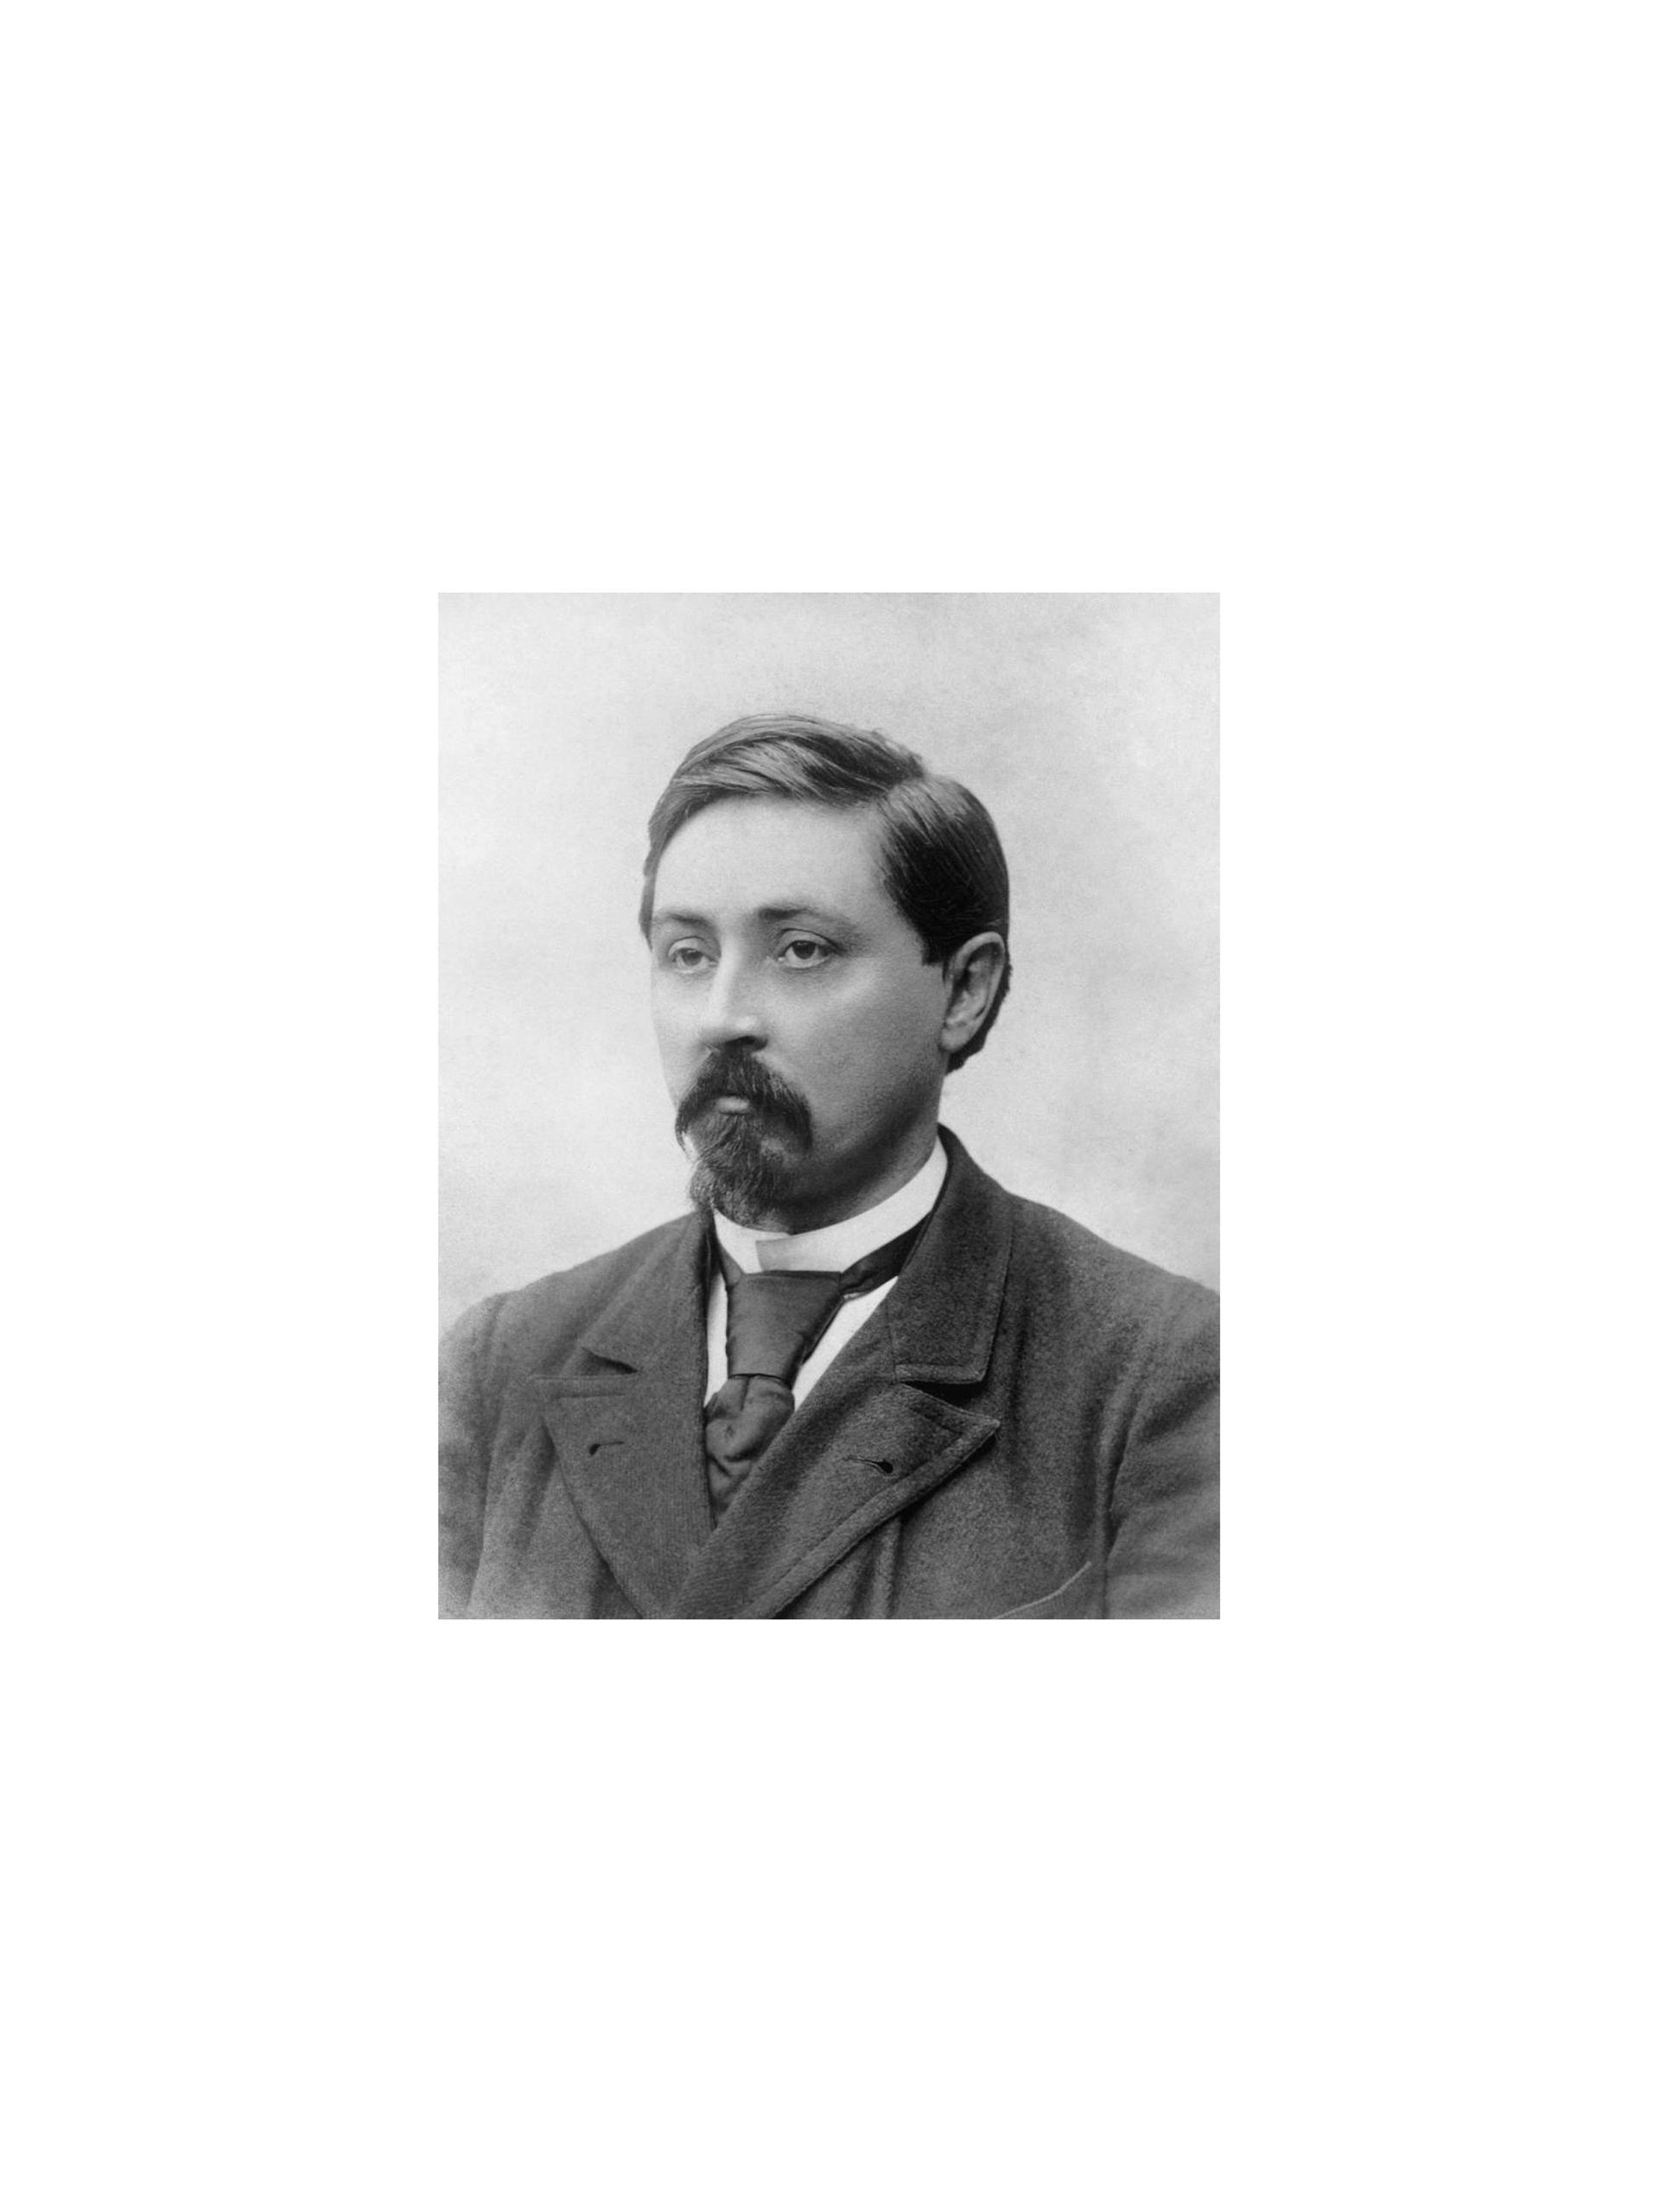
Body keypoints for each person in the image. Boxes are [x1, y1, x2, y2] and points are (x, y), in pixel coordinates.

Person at [441, 713, 1218, 1618]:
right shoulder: (502, 1363)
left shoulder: (1160, 1378)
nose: (721, 1018)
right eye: (687, 955)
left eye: (801, 951)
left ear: (963, 992)